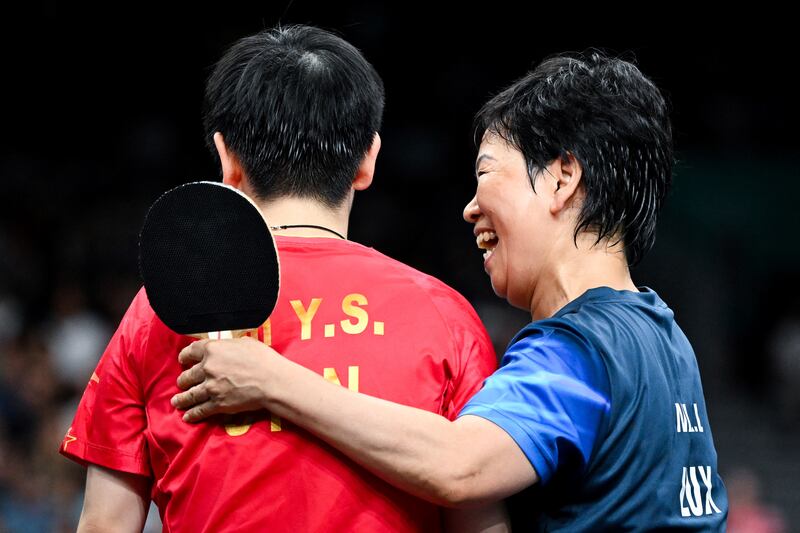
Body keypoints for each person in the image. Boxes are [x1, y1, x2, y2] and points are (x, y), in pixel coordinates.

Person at [173, 51, 729, 530]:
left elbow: (458, 466)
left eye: (487, 174)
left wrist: (270, 378)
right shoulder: (664, 336)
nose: (469, 207)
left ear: (562, 178)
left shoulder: (580, 348)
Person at [60, 25, 505, 532]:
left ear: (227, 158)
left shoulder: (160, 309)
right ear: (368, 160)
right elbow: (481, 517)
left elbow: (105, 524)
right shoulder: (444, 315)